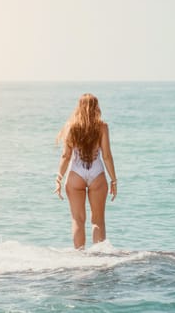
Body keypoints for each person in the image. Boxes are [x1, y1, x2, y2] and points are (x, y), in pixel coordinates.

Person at [54, 93, 118, 249]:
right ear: (96, 107)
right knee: (98, 220)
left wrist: (59, 178)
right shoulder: (102, 127)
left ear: (79, 107)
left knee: (78, 219)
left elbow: (66, 156)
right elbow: (107, 156)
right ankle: (99, 258)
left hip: (76, 174)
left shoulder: (71, 126)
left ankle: (80, 258)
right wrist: (114, 180)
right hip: (97, 173)